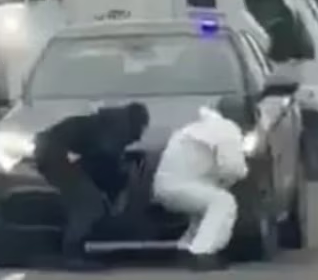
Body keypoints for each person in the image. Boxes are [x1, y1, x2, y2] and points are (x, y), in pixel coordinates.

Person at [32, 102, 150, 270]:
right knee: (89, 204)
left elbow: (96, 158)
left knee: (88, 200)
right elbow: (104, 159)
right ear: (136, 122)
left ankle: (74, 248)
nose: (140, 136)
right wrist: (121, 176)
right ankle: (72, 254)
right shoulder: (118, 128)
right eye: (142, 128)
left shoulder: (113, 122)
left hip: (53, 151)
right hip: (53, 154)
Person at [152, 95, 251, 271]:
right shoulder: (227, 129)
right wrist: (241, 174)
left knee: (206, 208)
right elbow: (233, 168)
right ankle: (203, 253)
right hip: (180, 186)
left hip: (166, 184)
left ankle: (185, 248)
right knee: (223, 202)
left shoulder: (196, 127)